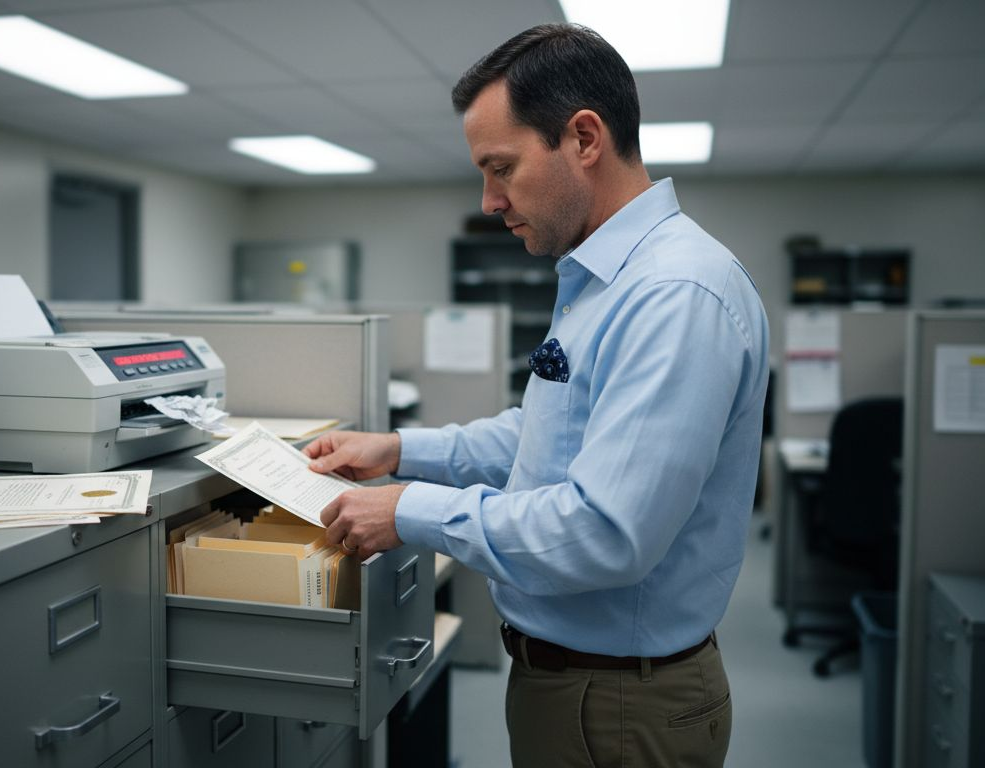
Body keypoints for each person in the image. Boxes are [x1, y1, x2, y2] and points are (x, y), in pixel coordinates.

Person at [305, 23, 769, 768]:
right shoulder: (606, 277)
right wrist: (398, 450)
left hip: (619, 704)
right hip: (579, 686)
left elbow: (605, 533)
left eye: (502, 168)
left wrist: (409, 510)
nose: (490, 201)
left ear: (583, 138)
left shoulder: (674, 294)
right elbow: (546, 437)